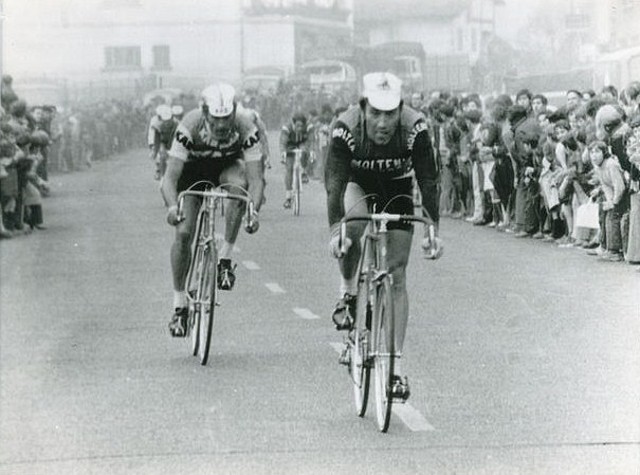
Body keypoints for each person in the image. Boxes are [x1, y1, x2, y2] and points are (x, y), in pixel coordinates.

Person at [324, 72, 442, 400]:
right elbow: (334, 184)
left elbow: (428, 180)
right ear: (363, 108)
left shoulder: (416, 126)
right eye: (375, 113)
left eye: (390, 113)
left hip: (397, 187)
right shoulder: (345, 126)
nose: (383, 122)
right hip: (356, 184)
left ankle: (394, 369)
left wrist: (432, 231)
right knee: (354, 228)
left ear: (401, 109)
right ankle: (348, 291)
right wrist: (336, 231)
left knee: (398, 273)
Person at [161, 83, 265, 337]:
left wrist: (253, 210)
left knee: (240, 188)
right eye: (216, 119)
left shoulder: (246, 127)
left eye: (226, 117)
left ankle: (225, 259)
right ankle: (179, 306)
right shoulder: (189, 125)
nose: (221, 125)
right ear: (205, 112)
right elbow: (170, 179)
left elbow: (256, 180)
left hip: (225, 168)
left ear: (234, 112)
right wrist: (173, 207)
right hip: (191, 173)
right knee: (184, 233)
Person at [280, 112, 312, 209]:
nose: (299, 128)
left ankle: (304, 172)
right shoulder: (286, 128)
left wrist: (312, 151)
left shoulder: (309, 127)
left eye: (301, 126)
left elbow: (312, 141)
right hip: (290, 144)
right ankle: (288, 197)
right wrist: (283, 153)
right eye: (297, 126)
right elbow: (283, 142)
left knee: (305, 151)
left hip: (302, 142)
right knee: (289, 168)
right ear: (293, 124)